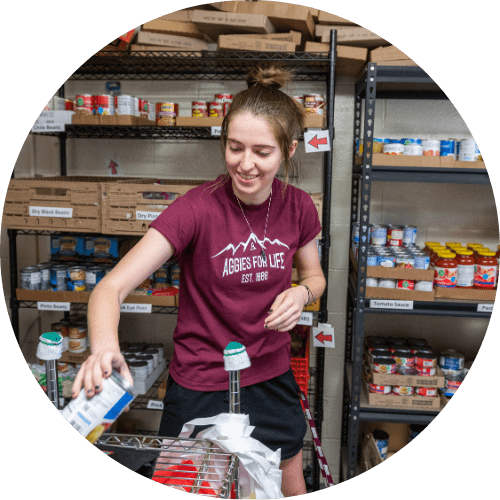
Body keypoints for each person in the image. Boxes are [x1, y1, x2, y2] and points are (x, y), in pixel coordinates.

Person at [72, 64, 326, 497]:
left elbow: (316, 276)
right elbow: (110, 288)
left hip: (271, 375)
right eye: (234, 147)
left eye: (262, 152)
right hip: (200, 381)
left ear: (289, 150)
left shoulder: (299, 206)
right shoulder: (195, 208)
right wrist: (105, 348)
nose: (245, 165)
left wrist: (302, 292)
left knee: (288, 486)